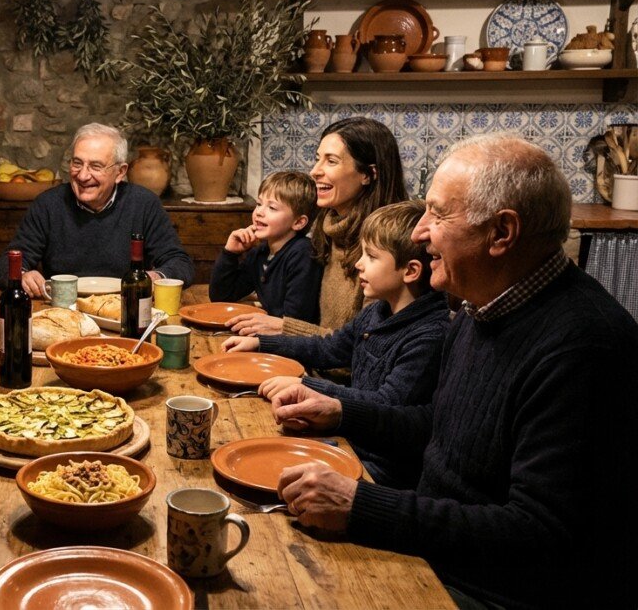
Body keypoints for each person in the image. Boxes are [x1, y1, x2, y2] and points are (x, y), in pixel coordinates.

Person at [269, 134, 638, 609]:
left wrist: (363, 507)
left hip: (491, 590)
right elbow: (439, 425)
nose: (421, 233)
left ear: (502, 233)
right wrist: (338, 411)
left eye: (438, 215)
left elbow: (538, 529)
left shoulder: (583, 345)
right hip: (437, 551)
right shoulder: (479, 307)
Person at [224, 200, 448, 488]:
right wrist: (261, 344)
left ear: (411, 271)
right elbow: (328, 348)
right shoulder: (377, 312)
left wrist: (308, 386)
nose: (358, 263)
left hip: (380, 469)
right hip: (348, 441)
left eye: (371, 256)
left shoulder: (429, 334)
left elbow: (386, 405)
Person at [228, 117, 407, 337]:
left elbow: (364, 345)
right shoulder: (329, 230)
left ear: (368, 174)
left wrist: (284, 328)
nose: (314, 171)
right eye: (317, 159)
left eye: (331, 161)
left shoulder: (386, 245)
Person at [0, 123, 193, 297]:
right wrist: (23, 275)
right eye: (77, 163)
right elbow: (6, 263)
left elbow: (180, 263)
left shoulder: (144, 204)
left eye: (95, 166)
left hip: (124, 309)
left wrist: (155, 277)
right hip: (64, 310)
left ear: (120, 172)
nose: (82, 175)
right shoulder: (48, 205)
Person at [209, 170, 323, 321]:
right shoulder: (261, 253)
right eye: (259, 204)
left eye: (272, 208)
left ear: (298, 222)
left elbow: (295, 321)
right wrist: (230, 253)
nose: (259, 212)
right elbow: (221, 296)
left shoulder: (302, 254)